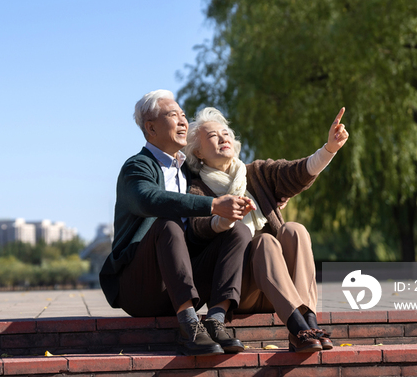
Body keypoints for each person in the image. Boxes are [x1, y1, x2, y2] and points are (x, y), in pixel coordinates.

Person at [99, 90, 256, 356]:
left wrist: (267, 199)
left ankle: (216, 320)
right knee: (168, 224)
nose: (184, 122)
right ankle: (189, 326)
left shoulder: (188, 171)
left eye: (184, 115)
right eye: (174, 116)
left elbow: (229, 169)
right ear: (151, 127)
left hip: (185, 281)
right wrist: (213, 205)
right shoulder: (137, 167)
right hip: (141, 288)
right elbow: (149, 199)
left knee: (237, 229)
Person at [183, 106, 349, 353]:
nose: (223, 137)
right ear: (198, 151)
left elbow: (296, 172)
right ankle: (297, 327)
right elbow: (198, 228)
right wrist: (226, 216)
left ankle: (308, 322)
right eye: (213, 135)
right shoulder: (197, 189)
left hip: (281, 289)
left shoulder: (255, 173)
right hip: (242, 291)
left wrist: (329, 150)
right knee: (265, 242)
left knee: (294, 230)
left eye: (226, 132)